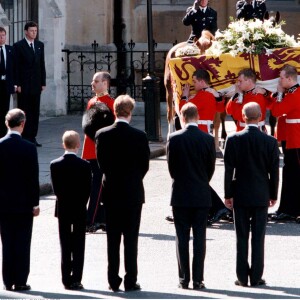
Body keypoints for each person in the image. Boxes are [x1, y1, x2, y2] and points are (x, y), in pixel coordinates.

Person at [95, 94, 150, 292]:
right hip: (133, 192)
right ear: (131, 112)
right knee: (131, 238)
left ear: (114, 111)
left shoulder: (102, 134)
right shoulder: (140, 136)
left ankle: (112, 280)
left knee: (113, 239)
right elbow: (144, 166)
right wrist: (134, 179)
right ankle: (130, 279)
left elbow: (102, 164)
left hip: (111, 191)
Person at [224, 102, 279, 287]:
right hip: (261, 192)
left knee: (241, 236)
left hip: (240, 192)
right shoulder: (270, 141)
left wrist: (227, 194)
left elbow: (228, 170)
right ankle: (256, 276)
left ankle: (241, 276)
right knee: (258, 236)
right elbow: (274, 172)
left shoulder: (233, 139)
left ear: (243, 116)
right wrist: (273, 194)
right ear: (261, 116)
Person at [167, 102, 216, 290]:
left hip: (180, 193)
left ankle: (183, 278)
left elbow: (172, 168)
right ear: (197, 116)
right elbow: (210, 168)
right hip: (201, 192)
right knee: (200, 237)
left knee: (182, 237)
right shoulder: (207, 139)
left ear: (182, 116)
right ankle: (198, 279)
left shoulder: (174, 138)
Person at [180, 68, 231, 224]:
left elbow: (185, 110)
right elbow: (221, 108)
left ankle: (218, 207)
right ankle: (209, 208)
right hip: (205, 137)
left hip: (198, 137)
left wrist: (184, 96)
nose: (193, 85)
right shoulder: (210, 94)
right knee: (198, 177)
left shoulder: (202, 95)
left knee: (197, 178)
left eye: (195, 81)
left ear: (202, 81)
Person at [0, 108, 40, 291]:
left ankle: (8, 280)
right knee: (23, 243)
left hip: (3, 204)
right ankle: (21, 280)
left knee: (7, 243)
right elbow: (33, 178)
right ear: (22, 124)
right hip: (23, 204)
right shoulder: (29, 148)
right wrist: (35, 203)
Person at [50, 130, 92, 290]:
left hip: (64, 209)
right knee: (79, 243)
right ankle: (77, 278)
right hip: (79, 208)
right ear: (78, 145)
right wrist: (81, 203)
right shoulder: (85, 165)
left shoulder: (55, 164)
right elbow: (88, 189)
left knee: (65, 243)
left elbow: (57, 189)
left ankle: (66, 278)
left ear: (63, 145)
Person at [82, 71, 114, 233]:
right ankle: (101, 218)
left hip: (101, 151)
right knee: (95, 186)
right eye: (93, 80)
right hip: (89, 149)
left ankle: (91, 220)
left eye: (96, 81)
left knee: (98, 187)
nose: (92, 83)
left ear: (105, 83)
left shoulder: (110, 103)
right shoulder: (92, 101)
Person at [270, 64, 300, 220]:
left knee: (294, 175)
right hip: (290, 138)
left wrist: (279, 94)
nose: (279, 81)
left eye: (281, 78)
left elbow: (275, 111)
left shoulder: (295, 94)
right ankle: (288, 208)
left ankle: (291, 209)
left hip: (296, 139)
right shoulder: (291, 92)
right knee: (290, 174)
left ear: (289, 78)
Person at [13, 21, 46, 147]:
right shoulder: (18, 46)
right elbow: (16, 66)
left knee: (35, 111)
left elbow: (41, 64)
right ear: (26, 32)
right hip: (24, 84)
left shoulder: (39, 45)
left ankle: (32, 136)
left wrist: (43, 82)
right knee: (24, 111)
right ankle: (24, 136)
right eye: (32, 31)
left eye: (35, 31)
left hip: (36, 84)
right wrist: (17, 83)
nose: (34, 33)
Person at [0, 27, 15, 138]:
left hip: (7, 84)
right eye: (0, 36)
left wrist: (15, 83)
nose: (1, 38)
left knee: (5, 109)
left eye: (3, 36)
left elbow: (14, 68)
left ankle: (3, 133)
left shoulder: (10, 49)